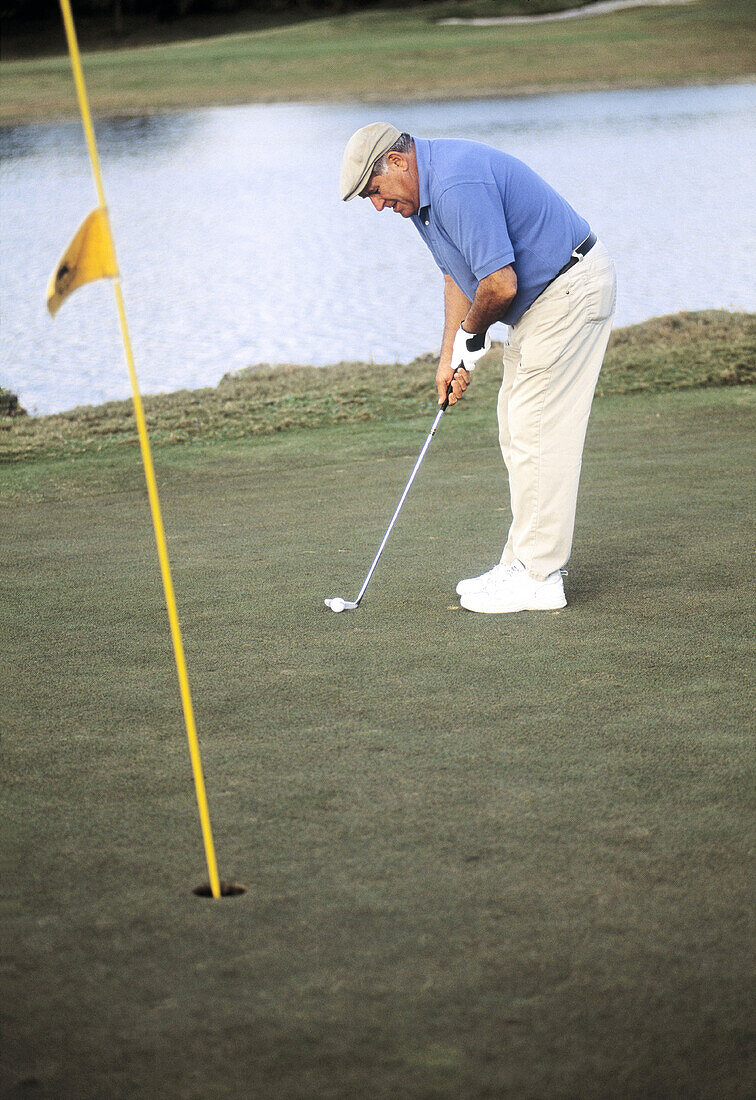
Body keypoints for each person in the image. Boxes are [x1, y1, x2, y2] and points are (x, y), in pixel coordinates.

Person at [340, 123, 617, 614]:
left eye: (376, 191)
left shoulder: (454, 185)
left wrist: (472, 336)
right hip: (544, 302)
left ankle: (538, 577)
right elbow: (458, 276)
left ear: (399, 162)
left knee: (535, 430)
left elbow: (500, 285)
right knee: (517, 427)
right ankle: (520, 564)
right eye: (369, 198)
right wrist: (450, 356)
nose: (378, 205)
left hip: (567, 291)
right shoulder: (421, 203)